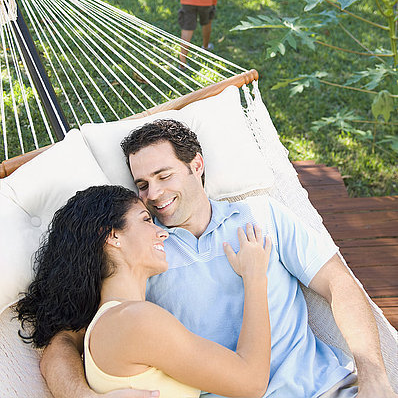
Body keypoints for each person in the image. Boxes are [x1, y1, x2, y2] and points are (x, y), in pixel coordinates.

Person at [40, 120, 397, 398]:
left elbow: (338, 282)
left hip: (325, 387)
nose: (154, 194)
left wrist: (374, 374)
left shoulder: (262, 215)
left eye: (164, 176)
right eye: (143, 184)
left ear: (196, 164)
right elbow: (63, 342)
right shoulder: (147, 255)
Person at [17, 185, 272, 398]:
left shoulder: (106, 322)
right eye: (146, 220)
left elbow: (54, 352)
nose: (162, 233)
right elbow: (252, 382)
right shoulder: (136, 321)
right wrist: (255, 276)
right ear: (112, 236)